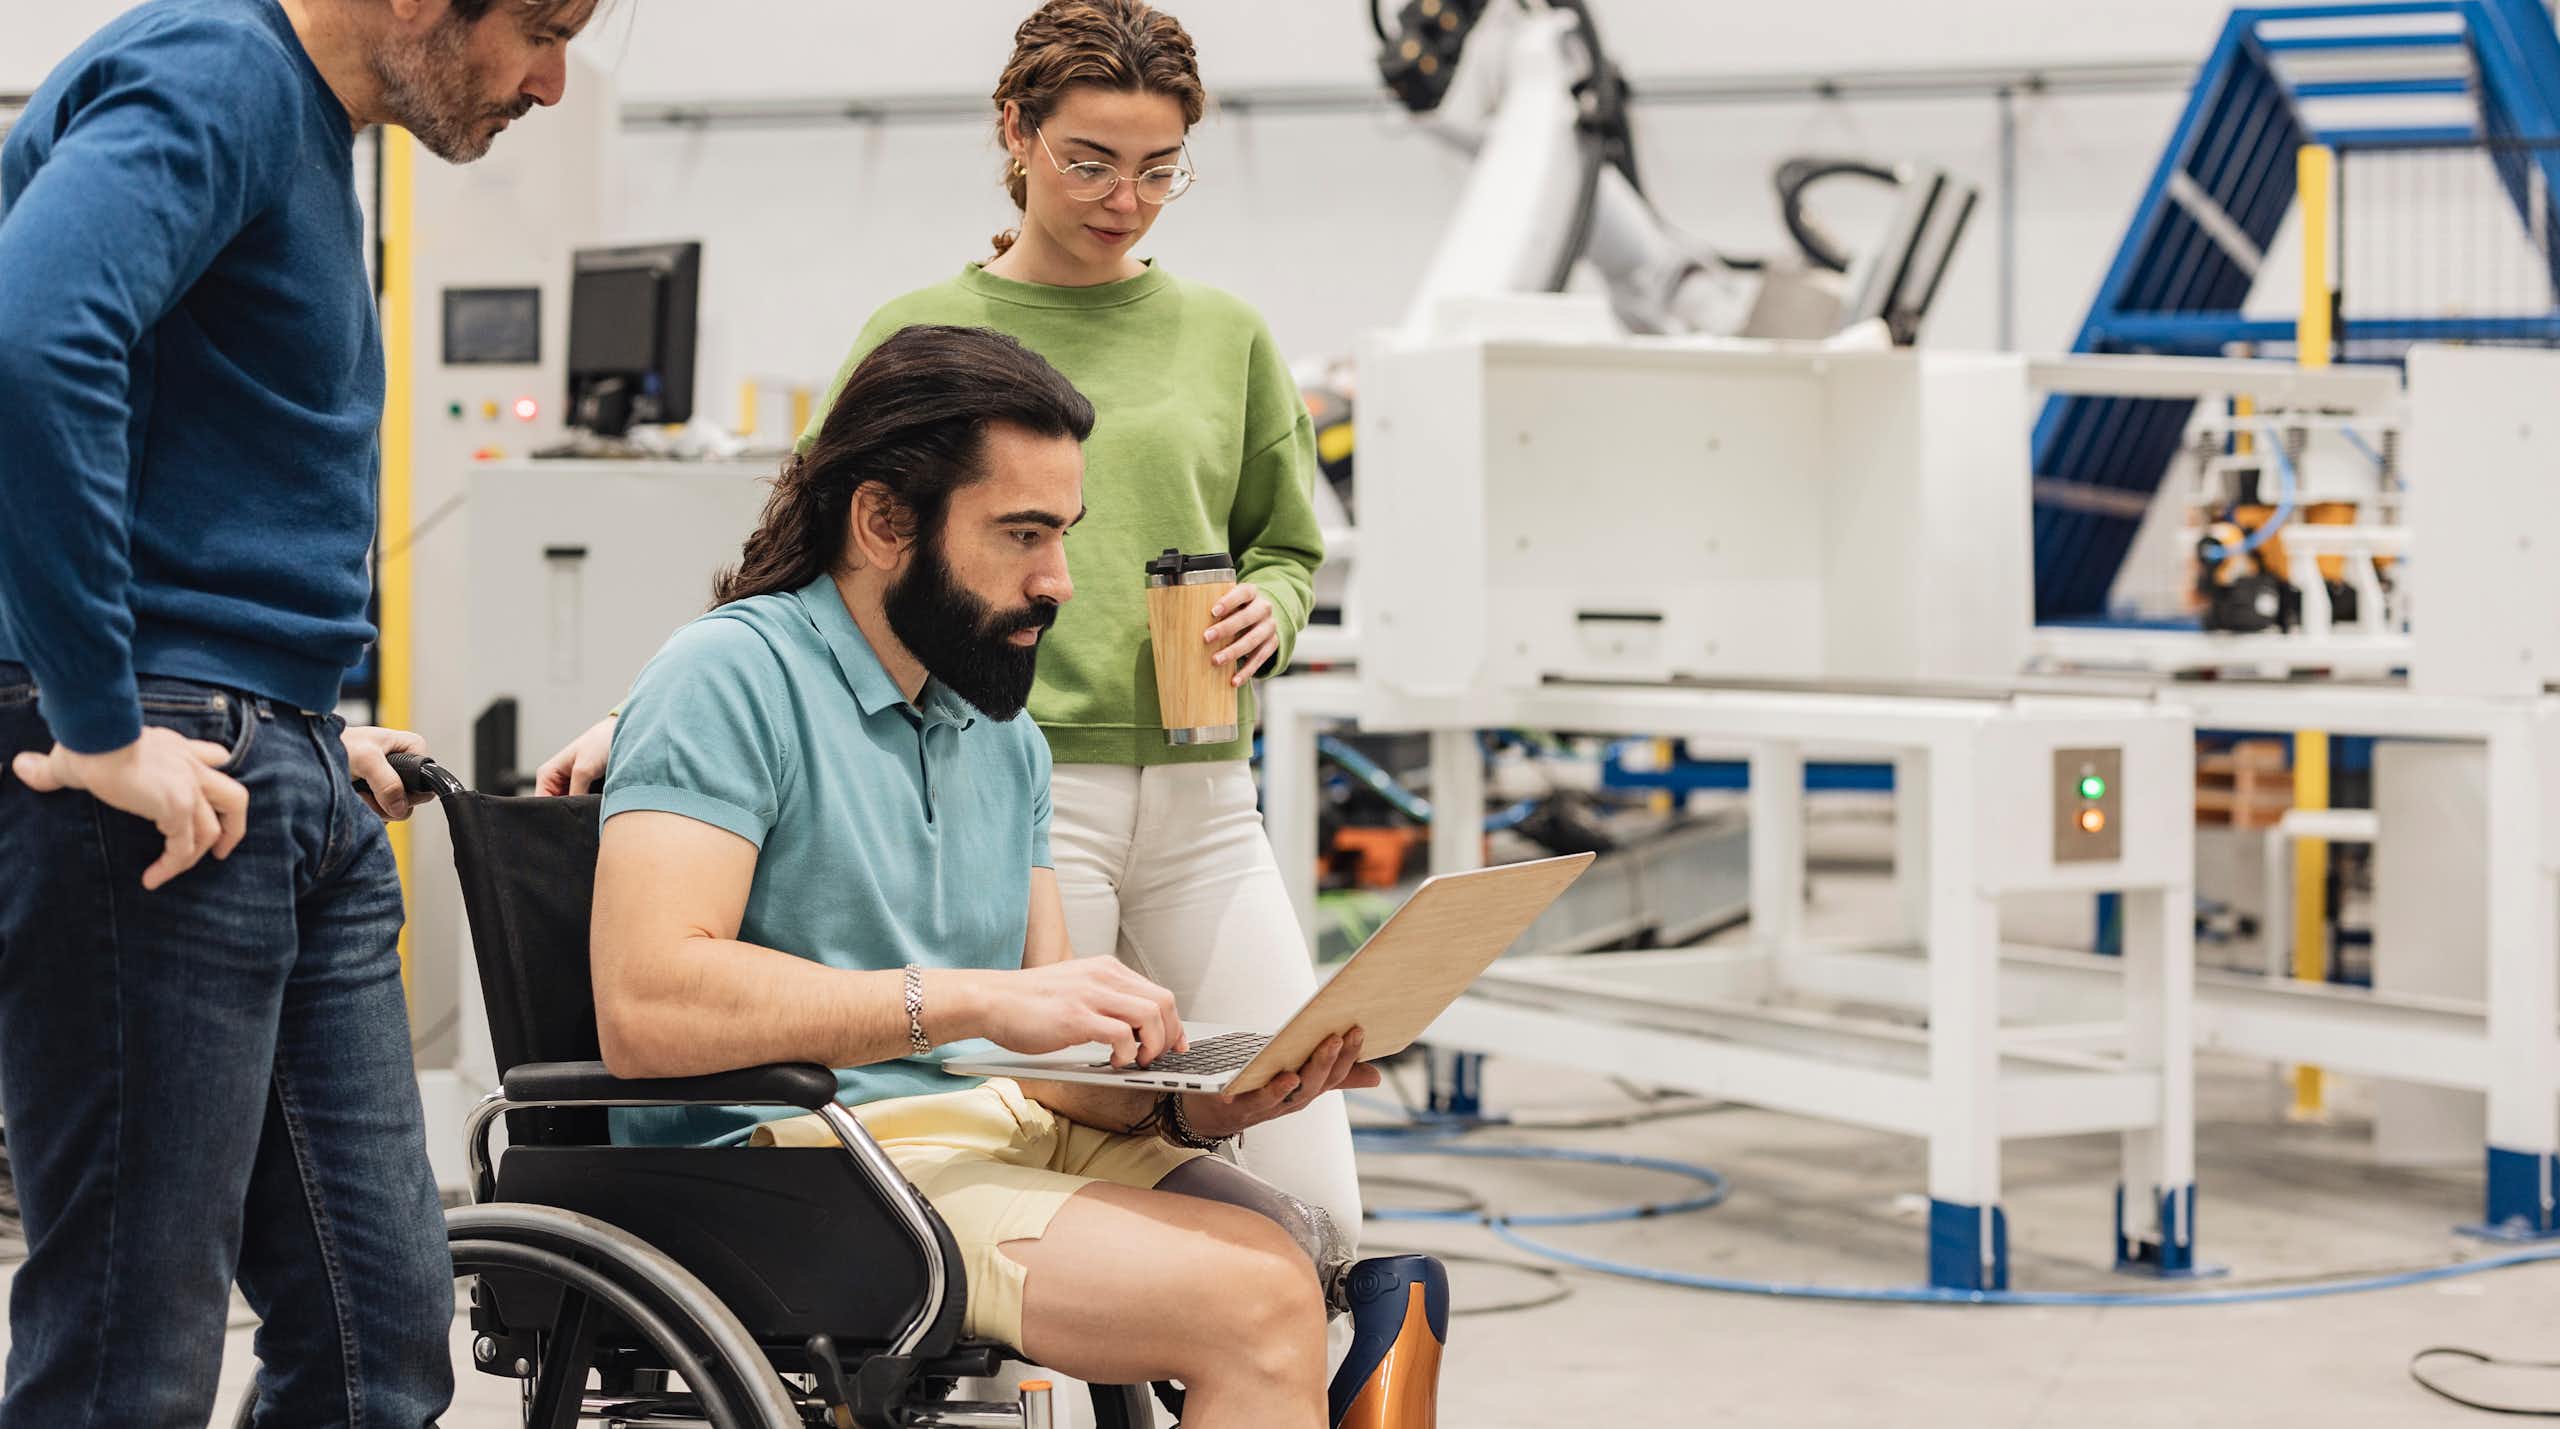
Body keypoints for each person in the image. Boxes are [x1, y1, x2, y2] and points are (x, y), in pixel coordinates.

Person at [538, 0, 1358, 1242]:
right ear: (1015, 134)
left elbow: (1290, 543)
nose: (1121, 199)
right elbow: (813, 544)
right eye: (1088, 162)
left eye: (1156, 171)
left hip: (1201, 792)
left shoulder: (1228, 335)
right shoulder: (926, 334)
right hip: (1030, 776)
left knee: (1310, 1192)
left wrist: (1275, 608)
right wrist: (641, 709)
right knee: (1045, 1140)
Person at [593, 324, 1378, 1428]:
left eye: (1062, 533)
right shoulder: (728, 676)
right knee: (1249, 1301)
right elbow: (648, 1005)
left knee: (1307, 1247)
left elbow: (1049, 1064)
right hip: (792, 1160)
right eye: (1020, 533)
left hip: (981, 1131)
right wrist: (966, 997)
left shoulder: (999, 734)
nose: (1057, 581)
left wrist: (1205, 1108)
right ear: (881, 521)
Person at [0, 1, 602, 1424]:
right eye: (538, 26)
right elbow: (31, 338)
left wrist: (310, 720)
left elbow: (201, 476)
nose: (554, 81)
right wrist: (100, 720)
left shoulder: (305, 131)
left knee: (378, 1336)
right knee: (126, 1360)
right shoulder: (218, 72)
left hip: (277, 761)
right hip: (161, 774)